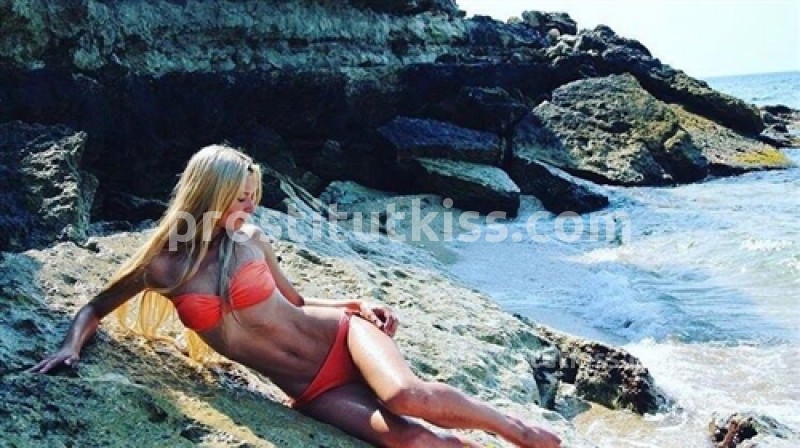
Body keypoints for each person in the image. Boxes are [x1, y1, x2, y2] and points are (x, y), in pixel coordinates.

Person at [29, 145, 561, 448]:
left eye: (253, 198)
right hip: (313, 390)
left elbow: (298, 302)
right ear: (208, 195)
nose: (250, 209)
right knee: (413, 442)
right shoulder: (162, 267)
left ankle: (517, 430)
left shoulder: (250, 240)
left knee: (406, 397)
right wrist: (72, 346)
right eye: (241, 199)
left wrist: (353, 305)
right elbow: (94, 307)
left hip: (343, 339)